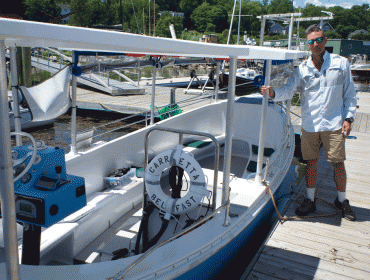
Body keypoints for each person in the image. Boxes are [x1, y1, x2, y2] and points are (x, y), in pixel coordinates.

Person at [261, 25, 357, 221]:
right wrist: (273, 93)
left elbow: (350, 95)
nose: (316, 44)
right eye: (312, 41)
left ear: (326, 40)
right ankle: (310, 199)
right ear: (308, 44)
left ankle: (342, 200)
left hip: (334, 124)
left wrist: (348, 118)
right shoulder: (302, 69)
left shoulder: (341, 64)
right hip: (310, 125)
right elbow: (288, 90)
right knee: (311, 164)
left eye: (319, 39)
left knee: (338, 164)